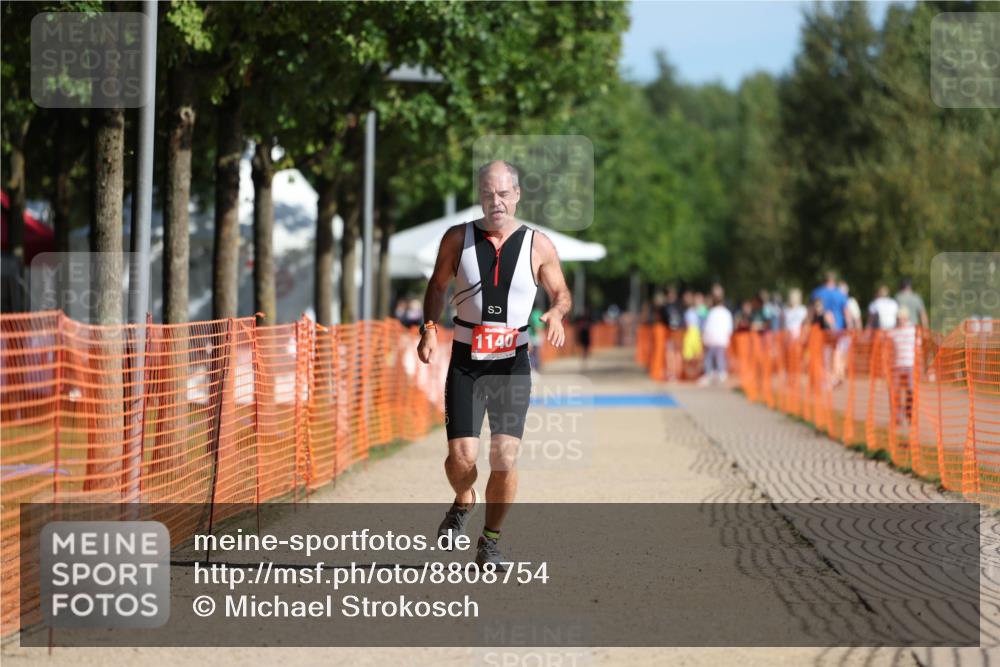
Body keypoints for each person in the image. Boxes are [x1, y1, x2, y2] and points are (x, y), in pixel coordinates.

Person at [417, 160, 571, 571]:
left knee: (504, 457)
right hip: (466, 361)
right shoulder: (457, 238)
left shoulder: (538, 244)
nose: (496, 201)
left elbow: (561, 293)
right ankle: (464, 498)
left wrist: (556, 313)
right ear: (480, 196)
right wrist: (430, 329)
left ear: (517, 194)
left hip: (512, 363)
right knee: (462, 458)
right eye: (488, 194)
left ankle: (490, 542)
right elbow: (437, 286)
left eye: (503, 193)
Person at [886, 306, 917, 427]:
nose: (900, 320)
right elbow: (887, 349)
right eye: (898, 318)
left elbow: (918, 347)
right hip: (896, 366)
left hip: (910, 365)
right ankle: (897, 417)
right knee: (895, 392)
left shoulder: (913, 330)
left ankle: (909, 415)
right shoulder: (892, 333)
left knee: (911, 391)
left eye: (902, 318)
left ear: (907, 318)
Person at [699, 294, 733, 386]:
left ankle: (710, 374)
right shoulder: (726, 313)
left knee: (710, 358)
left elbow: (708, 326)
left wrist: (705, 337)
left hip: (712, 338)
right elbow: (729, 327)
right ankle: (721, 373)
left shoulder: (712, 312)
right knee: (720, 357)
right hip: (721, 338)